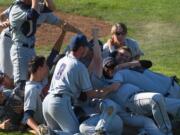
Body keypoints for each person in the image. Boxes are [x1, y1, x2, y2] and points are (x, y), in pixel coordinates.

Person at [42, 34, 120, 134]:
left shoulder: (62, 60)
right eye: (87, 47)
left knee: (61, 131)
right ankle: (53, 133)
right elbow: (90, 94)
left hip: (47, 101)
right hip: (60, 103)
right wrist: (109, 89)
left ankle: (51, 133)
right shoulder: (78, 66)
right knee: (76, 132)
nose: (88, 49)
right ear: (82, 48)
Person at [22, 56, 49, 135]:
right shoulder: (31, 89)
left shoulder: (41, 82)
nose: (47, 68)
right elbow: (27, 117)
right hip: (48, 124)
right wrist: (39, 130)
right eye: (45, 66)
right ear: (39, 69)